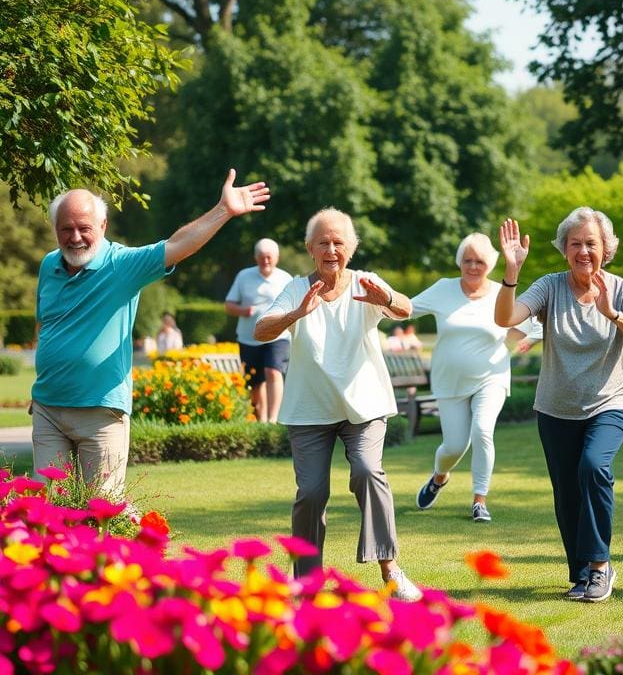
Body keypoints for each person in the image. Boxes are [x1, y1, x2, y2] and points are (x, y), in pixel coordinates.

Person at [32, 170, 269, 494]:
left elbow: (178, 245)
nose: (75, 237)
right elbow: (44, 323)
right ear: (55, 230)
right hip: (48, 408)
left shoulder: (122, 266)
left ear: (102, 227)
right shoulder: (49, 265)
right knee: (44, 511)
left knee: (100, 510)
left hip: (100, 411)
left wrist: (223, 210)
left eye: (84, 228)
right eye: (66, 229)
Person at [254, 208, 422, 601]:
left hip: (364, 407)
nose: (331, 249)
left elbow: (406, 308)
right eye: (323, 243)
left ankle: (391, 571)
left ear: (351, 247)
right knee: (311, 492)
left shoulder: (366, 282)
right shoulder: (297, 289)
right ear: (310, 248)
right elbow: (261, 330)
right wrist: (296, 314)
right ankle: (307, 584)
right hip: (310, 410)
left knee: (367, 471)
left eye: (338, 242)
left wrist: (390, 299)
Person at [494, 209, 623, 603]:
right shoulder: (550, 286)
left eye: (591, 243)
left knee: (593, 466)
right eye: (575, 243)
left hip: (611, 401)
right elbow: (505, 318)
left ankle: (600, 566)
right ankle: (581, 574)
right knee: (566, 491)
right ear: (565, 249)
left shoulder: (622, 288)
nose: (584, 251)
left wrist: (611, 313)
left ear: (606, 249)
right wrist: (511, 272)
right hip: (556, 407)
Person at [410, 233, 542, 523]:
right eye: (467, 260)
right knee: (455, 446)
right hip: (450, 381)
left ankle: (479, 500)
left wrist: (530, 339)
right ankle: (439, 477)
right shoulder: (443, 289)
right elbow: (406, 309)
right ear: (459, 262)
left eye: (479, 261)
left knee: (482, 430)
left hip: (491, 377)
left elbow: (533, 325)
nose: (472, 266)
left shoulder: (500, 292)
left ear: (491, 264)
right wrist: (376, 301)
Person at [224, 238, 293, 423]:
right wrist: (242, 311)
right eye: (262, 257)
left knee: (273, 371)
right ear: (255, 257)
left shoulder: (286, 278)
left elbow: (295, 307)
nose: (266, 261)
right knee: (255, 383)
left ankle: (273, 419)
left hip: (278, 336)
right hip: (249, 338)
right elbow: (228, 305)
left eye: (269, 257)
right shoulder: (244, 276)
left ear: (277, 258)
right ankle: (261, 421)